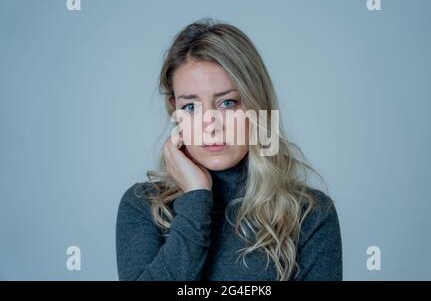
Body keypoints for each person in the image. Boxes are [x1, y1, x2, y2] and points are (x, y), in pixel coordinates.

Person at [116, 18, 342, 281]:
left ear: (257, 106)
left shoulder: (310, 214)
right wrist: (196, 198)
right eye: (191, 107)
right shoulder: (143, 206)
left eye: (227, 103)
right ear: (174, 111)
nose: (211, 126)